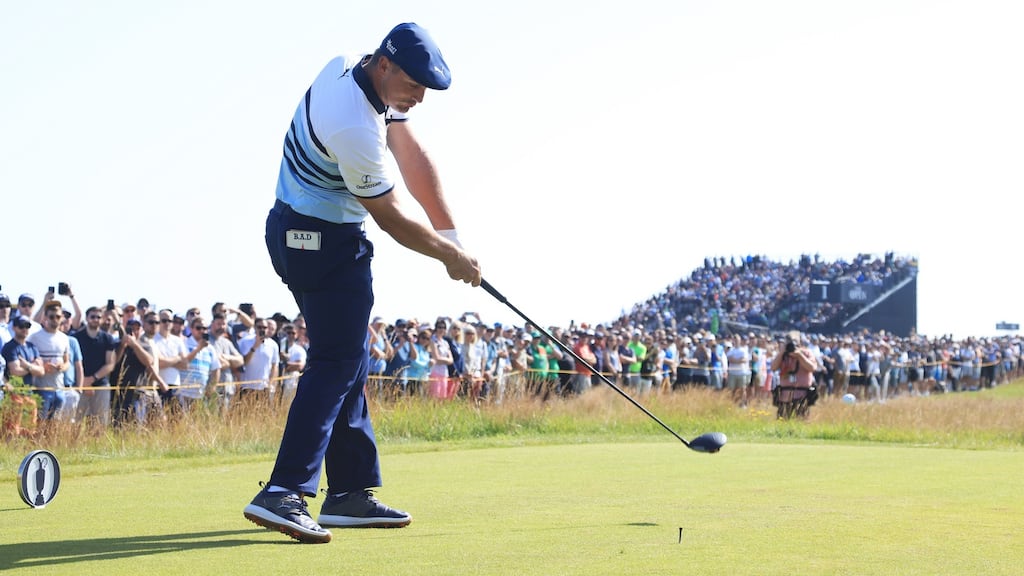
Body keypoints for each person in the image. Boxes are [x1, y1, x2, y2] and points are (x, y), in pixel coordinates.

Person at [244, 22, 481, 544]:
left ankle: (350, 492)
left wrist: (453, 237)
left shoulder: (357, 66)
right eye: (415, 85)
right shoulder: (352, 124)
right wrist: (449, 258)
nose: (419, 97)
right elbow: (393, 217)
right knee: (337, 359)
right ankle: (284, 491)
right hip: (323, 243)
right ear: (387, 65)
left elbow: (414, 158)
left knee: (346, 354)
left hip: (295, 231)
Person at [73, 306, 118, 425]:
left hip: (101, 385)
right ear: (87, 318)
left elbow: (110, 364)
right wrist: (83, 382)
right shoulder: (77, 337)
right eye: (92, 317)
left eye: (98, 317)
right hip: (79, 385)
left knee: (100, 423)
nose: (95, 320)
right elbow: (74, 362)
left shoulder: (108, 338)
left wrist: (92, 379)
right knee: (75, 422)